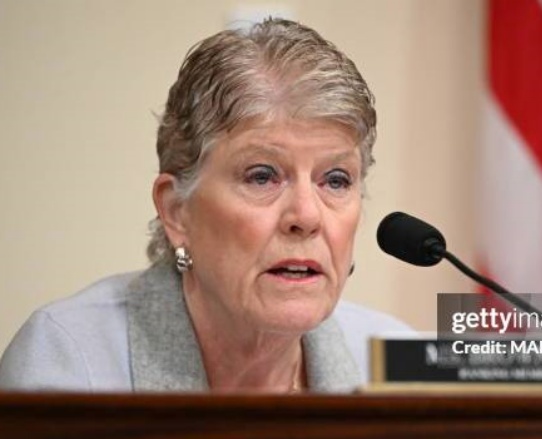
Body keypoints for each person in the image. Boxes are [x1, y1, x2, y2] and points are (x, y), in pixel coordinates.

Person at [0, 18, 410, 393]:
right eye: (262, 176)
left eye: (335, 180)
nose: (305, 216)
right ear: (177, 210)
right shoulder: (69, 361)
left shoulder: (400, 365)